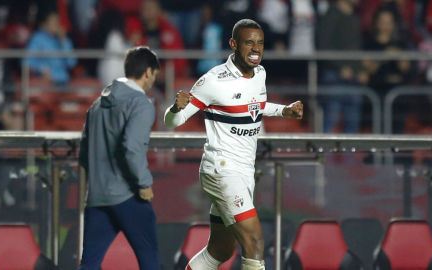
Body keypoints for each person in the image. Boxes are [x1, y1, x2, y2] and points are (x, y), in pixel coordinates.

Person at [164, 19, 303, 270]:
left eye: (260, 43)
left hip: (243, 171)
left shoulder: (259, 73)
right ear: (233, 44)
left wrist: (284, 111)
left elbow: (253, 108)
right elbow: (173, 121)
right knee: (255, 241)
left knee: (220, 250)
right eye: (249, 42)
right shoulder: (214, 80)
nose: (255, 49)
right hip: (222, 169)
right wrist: (175, 108)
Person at [78, 46, 160, 270]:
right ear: (147, 72)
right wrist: (144, 183)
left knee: (89, 265)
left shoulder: (96, 105)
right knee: (150, 261)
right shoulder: (141, 104)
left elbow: (84, 152)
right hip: (128, 195)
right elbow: (132, 147)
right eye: (154, 75)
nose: (153, 80)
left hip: (97, 196)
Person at [316, 0, 368, 133]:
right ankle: (324, 154)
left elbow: (357, 49)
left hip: (354, 79)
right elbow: (323, 46)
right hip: (334, 77)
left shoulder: (354, 17)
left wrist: (361, 69)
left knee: (352, 123)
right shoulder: (330, 16)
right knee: (331, 121)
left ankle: (348, 154)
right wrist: (340, 68)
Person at [26, 10, 77, 85]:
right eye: (54, 22)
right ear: (46, 24)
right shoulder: (37, 38)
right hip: (45, 81)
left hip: (63, 80)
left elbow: (71, 63)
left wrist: (64, 41)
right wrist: (42, 69)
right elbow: (27, 61)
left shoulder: (63, 39)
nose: (57, 25)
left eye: (58, 22)